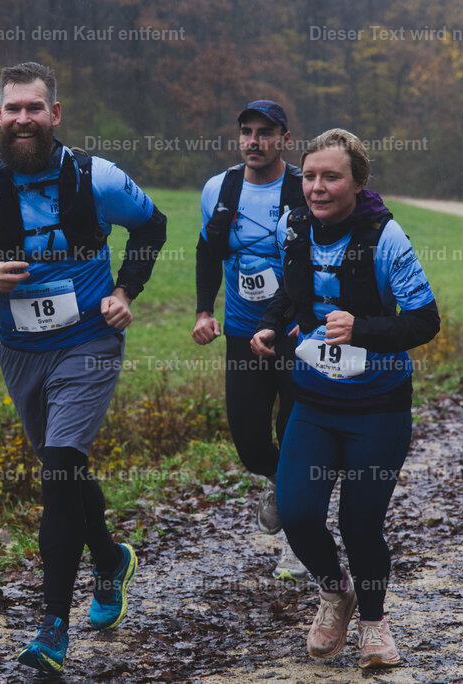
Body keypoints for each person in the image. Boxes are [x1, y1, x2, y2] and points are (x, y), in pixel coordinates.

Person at [0, 61, 166, 675]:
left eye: (34, 107)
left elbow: (152, 224)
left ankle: (53, 627)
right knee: (65, 470)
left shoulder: (96, 176)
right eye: (13, 108)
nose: (23, 119)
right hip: (22, 352)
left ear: (54, 114)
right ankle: (111, 559)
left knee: (59, 471)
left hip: (89, 341)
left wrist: (126, 290)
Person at [250, 128, 439, 668]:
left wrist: (362, 329)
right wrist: (270, 324)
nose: (316, 187)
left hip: (378, 406)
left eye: (330, 177)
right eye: (309, 176)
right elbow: (290, 290)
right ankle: (336, 592)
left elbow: (425, 321)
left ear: (358, 182)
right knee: (296, 513)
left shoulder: (386, 237)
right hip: (313, 400)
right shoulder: (292, 226)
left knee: (360, 523)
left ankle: (374, 623)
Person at [192, 100, 308, 580]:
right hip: (241, 332)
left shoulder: (303, 188)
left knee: (295, 433)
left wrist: (309, 314)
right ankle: (282, 484)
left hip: (294, 333)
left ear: (285, 139)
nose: (254, 141)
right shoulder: (220, 189)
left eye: (265, 132)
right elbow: (207, 250)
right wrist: (203, 311)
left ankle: (300, 541)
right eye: (246, 132)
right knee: (249, 440)